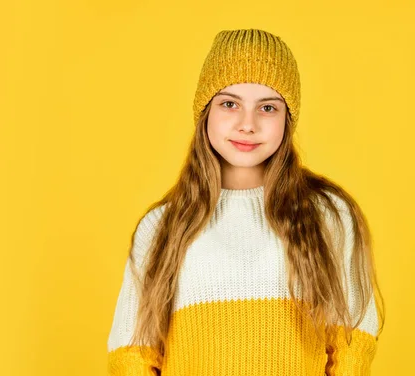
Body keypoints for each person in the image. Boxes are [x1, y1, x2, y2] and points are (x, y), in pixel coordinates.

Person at [107, 28, 385, 376]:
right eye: (229, 104)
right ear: (205, 111)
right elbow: (131, 354)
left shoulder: (328, 214)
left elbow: (352, 347)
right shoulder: (162, 226)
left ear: (288, 119)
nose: (247, 124)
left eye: (267, 107)